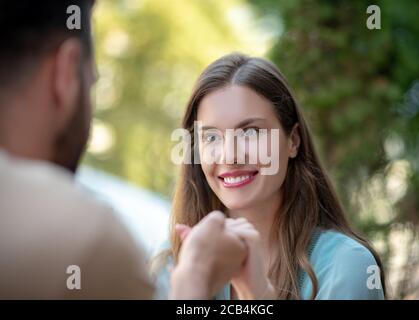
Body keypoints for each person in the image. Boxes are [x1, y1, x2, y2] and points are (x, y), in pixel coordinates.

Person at [0, 1, 246, 299]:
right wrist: (195, 281)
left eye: (250, 132)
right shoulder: (86, 240)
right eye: (92, 83)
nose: (230, 155)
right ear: (65, 73)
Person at [153, 53, 386, 300]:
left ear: (293, 141)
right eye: (211, 137)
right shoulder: (174, 260)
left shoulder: (345, 266)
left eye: (250, 132)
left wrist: (258, 294)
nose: (230, 156)